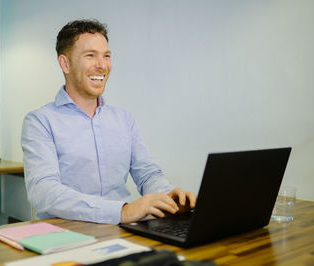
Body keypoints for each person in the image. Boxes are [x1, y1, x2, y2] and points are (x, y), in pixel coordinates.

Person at [21, 19, 196, 224]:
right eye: (90, 56)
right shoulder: (39, 122)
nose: (102, 65)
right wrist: (121, 211)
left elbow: (148, 173)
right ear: (65, 63)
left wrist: (168, 199)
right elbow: (43, 192)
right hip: (66, 233)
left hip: (123, 231)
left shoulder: (123, 119)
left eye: (106, 56)